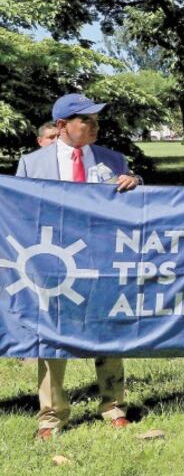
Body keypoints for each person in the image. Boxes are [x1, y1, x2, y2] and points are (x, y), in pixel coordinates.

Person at [15, 93, 142, 440]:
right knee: (51, 338)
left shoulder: (113, 160)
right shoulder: (31, 164)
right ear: (61, 126)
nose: (94, 125)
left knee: (108, 333)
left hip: (102, 262)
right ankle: (51, 416)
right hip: (53, 265)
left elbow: (135, 207)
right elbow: (22, 215)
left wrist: (134, 183)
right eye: (85, 120)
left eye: (96, 118)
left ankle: (114, 406)